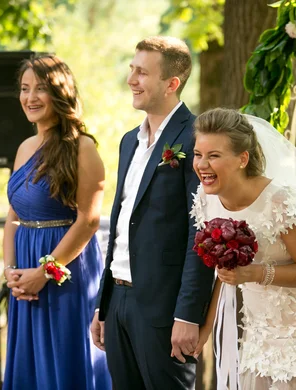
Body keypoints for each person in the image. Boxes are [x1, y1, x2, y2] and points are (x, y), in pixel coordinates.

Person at [191, 108, 296, 389]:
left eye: (214, 156)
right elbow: (224, 272)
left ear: (242, 159)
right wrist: (206, 328)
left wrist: (255, 274)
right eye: (199, 154)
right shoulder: (207, 199)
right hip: (261, 327)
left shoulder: (281, 202)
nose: (202, 165)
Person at [89, 36, 215, 389]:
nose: (131, 79)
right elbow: (119, 227)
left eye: (142, 72)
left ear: (171, 84)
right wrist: (104, 306)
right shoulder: (129, 140)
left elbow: (201, 233)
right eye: (132, 69)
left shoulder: (195, 139)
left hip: (164, 311)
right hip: (119, 303)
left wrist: (188, 315)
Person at [3, 54, 111, 389]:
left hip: (65, 274)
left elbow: (89, 221)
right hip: (25, 281)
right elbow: (12, 216)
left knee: (65, 362)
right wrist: (11, 272)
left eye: (40, 88)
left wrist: (45, 272)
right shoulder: (24, 147)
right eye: (24, 88)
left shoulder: (83, 148)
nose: (29, 97)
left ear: (60, 93)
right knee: (30, 367)